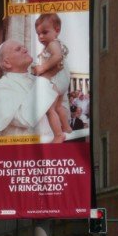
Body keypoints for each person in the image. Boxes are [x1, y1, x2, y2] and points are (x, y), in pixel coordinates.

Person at [0, 39, 58, 140]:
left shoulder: (37, 80)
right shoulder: (1, 87)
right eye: (18, 49)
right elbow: (25, 119)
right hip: (22, 151)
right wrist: (46, 77)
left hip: (50, 149)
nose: (25, 49)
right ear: (7, 62)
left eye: (24, 47)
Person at [32, 13, 72, 141]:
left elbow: (57, 57)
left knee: (50, 109)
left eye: (45, 32)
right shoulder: (58, 44)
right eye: (38, 34)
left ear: (57, 30)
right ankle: (66, 127)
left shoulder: (53, 44)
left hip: (56, 80)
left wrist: (43, 68)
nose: (41, 37)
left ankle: (58, 134)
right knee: (59, 106)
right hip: (63, 80)